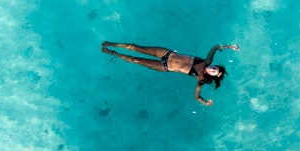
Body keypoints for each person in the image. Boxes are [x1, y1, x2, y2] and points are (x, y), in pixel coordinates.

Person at [101, 41, 239, 106]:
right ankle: (112, 44)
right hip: (167, 53)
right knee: (135, 47)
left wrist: (204, 102)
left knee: (134, 60)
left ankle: (112, 53)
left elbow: (196, 96)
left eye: (214, 72)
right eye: (214, 67)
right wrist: (230, 47)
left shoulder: (201, 78)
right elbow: (214, 47)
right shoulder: (206, 61)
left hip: (164, 66)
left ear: (212, 76)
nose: (212, 69)